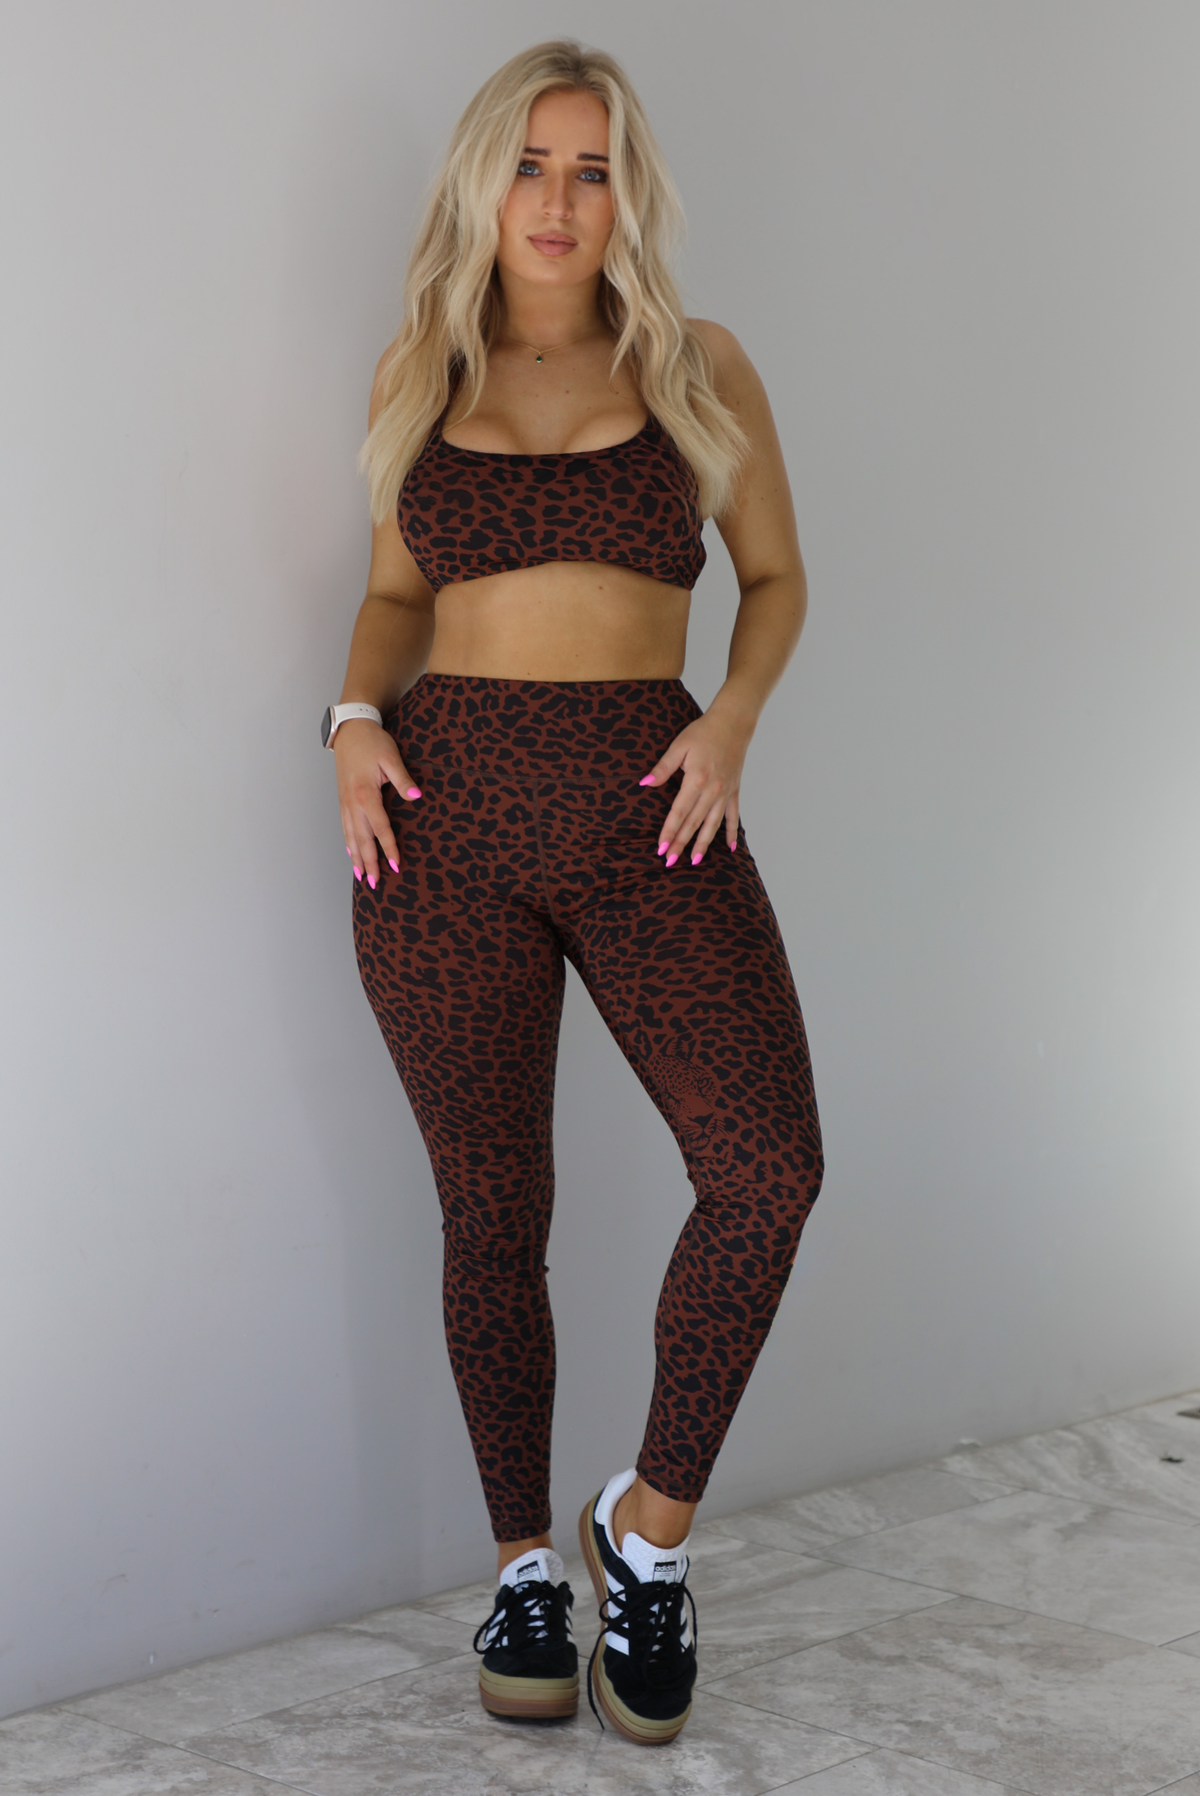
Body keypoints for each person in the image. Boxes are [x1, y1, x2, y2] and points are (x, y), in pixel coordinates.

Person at [324, 39, 823, 1747]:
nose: (558, 201)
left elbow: (771, 581)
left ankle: (647, 1537)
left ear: (631, 195)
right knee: (494, 1211)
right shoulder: (423, 365)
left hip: (650, 807)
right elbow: (396, 603)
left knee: (767, 1170)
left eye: (593, 169)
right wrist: (343, 725)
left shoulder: (700, 364)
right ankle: (525, 1562)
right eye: (531, 165)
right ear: (483, 182)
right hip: (440, 821)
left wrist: (733, 727)